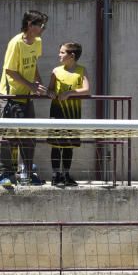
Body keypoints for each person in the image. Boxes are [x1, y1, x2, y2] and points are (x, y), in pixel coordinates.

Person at [0, 10, 49, 186]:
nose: (43, 29)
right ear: (29, 25)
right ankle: (4, 174)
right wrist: (30, 85)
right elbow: (10, 70)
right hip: (10, 96)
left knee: (29, 134)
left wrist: (38, 82)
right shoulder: (16, 43)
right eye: (39, 25)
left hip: (26, 96)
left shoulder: (38, 42)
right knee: (8, 136)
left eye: (43, 25)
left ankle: (26, 171)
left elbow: (33, 65)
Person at [47, 42, 90, 188]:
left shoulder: (81, 70)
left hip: (73, 114)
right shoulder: (56, 71)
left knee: (68, 146)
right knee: (55, 144)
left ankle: (66, 174)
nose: (59, 55)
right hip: (57, 112)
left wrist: (70, 92)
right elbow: (50, 89)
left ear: (72, 56)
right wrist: (51, 93)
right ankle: (55, 175)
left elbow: (86, 90)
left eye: (62, 52)